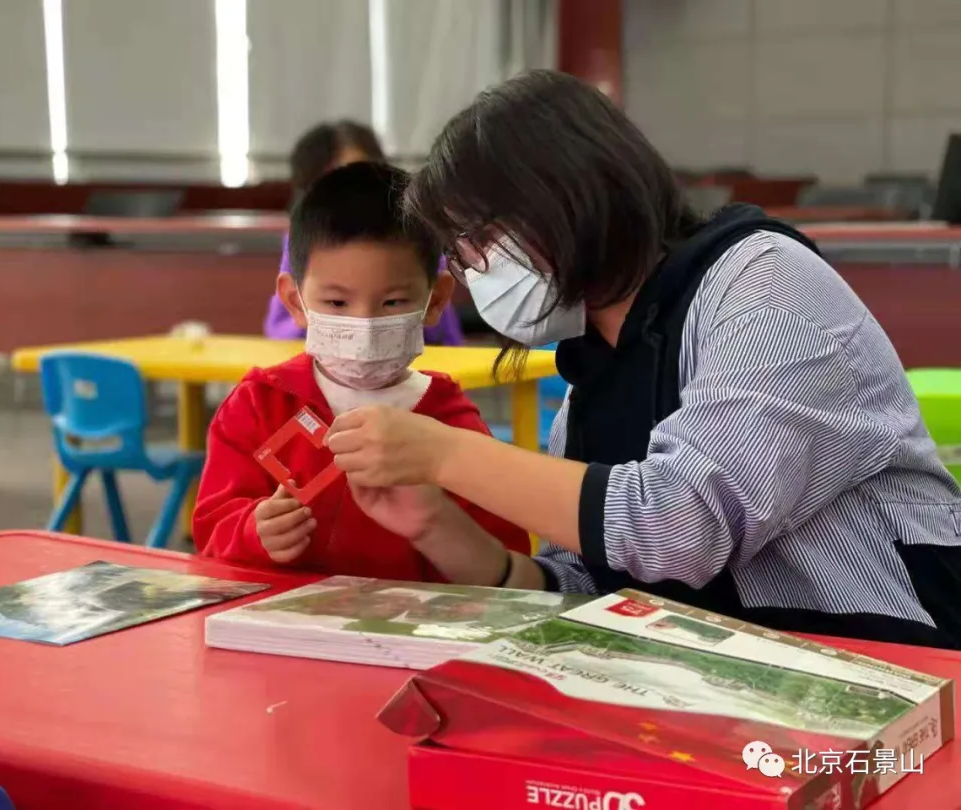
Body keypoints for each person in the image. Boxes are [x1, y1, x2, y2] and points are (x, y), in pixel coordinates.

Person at [325, 69, 961, 649]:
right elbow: (580, 594)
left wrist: (445, 453)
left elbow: (682, 525)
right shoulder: (588, 389)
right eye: (462, 255)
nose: (476, 271)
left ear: (568, 190)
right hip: (730, 686)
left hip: (894, 660)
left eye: (483, 238)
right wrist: (439, 528)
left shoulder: (765, 285)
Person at [193, 161, 529, 580]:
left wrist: (442, 529)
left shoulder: (450, 425)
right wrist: (251, 531)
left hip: (403, 635)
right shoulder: (259, 404)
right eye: (337, 304)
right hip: (279, 628)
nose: (365, 326)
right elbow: (210, 529)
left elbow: (504, 564)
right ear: (295, 301)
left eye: (392, 303)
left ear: (437, 299)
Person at [263, 120, 465, 346]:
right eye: (335, 184)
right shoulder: (305, 238)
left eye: (363, 178)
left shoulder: (415, 230)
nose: (353, 194)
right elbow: (280, 329)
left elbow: (445, 334)